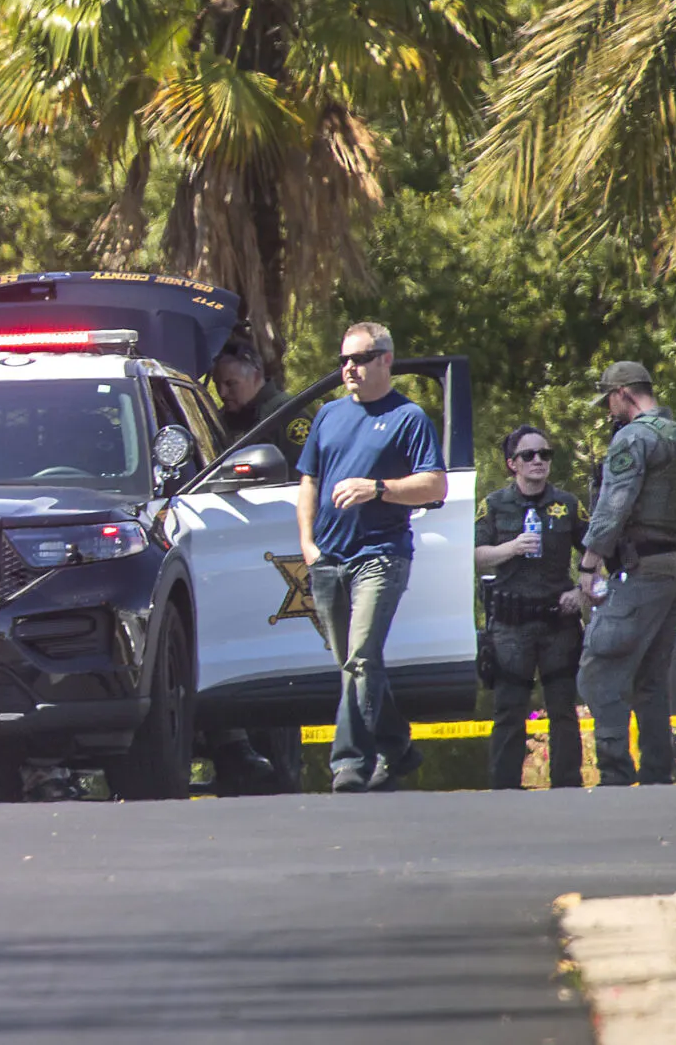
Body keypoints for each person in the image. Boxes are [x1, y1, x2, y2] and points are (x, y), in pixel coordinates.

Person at [296, 321, 447, 794]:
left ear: (385, 360)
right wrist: (307, 544)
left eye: (359, 359)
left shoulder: (408, 418)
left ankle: (348, 763)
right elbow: (310, 482)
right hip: (329, 558)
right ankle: (398, 749)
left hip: (380, 555)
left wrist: (378, 488)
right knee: (353, 664)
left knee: (361, 659)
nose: (348, 369)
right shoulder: (328, 416)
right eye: (343, 360)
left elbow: (436, 486)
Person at [576, 362, 676, 787]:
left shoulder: (634, 437)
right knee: (651, 677)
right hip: (675, 565)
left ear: (624, 393)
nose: (609, 410)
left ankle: (614, 775)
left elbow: (615, 505)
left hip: (641, 568)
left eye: (610, 399)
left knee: (600, 666)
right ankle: (655, 775)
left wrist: (588, 564)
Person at [473, 425, 589, 790]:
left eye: (545, 454)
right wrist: (511, 548)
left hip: (559, 621)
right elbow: (474, 556)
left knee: (563, 710)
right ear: (513, 464)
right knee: (509, 710)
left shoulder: (568, 504)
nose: (538, 460)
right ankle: (505, 790)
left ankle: (567, 788)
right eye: (529, 455)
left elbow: (594, 552)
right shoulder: (494, 505)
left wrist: (583, 594)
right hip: (511, 624)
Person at [211, 349, 297, 455]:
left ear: (256, 377)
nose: (222, 393)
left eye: (230, 383)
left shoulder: (287, 413)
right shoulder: (222, 418)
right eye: (217, 384)